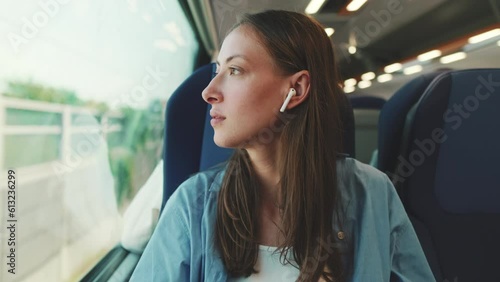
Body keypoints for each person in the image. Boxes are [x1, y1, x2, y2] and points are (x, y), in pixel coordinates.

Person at [130, 10, 435, 282]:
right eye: (217, 71)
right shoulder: (192, 205)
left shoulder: (373, 195)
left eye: (234, 70)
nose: (209, 91)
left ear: (296, 89)